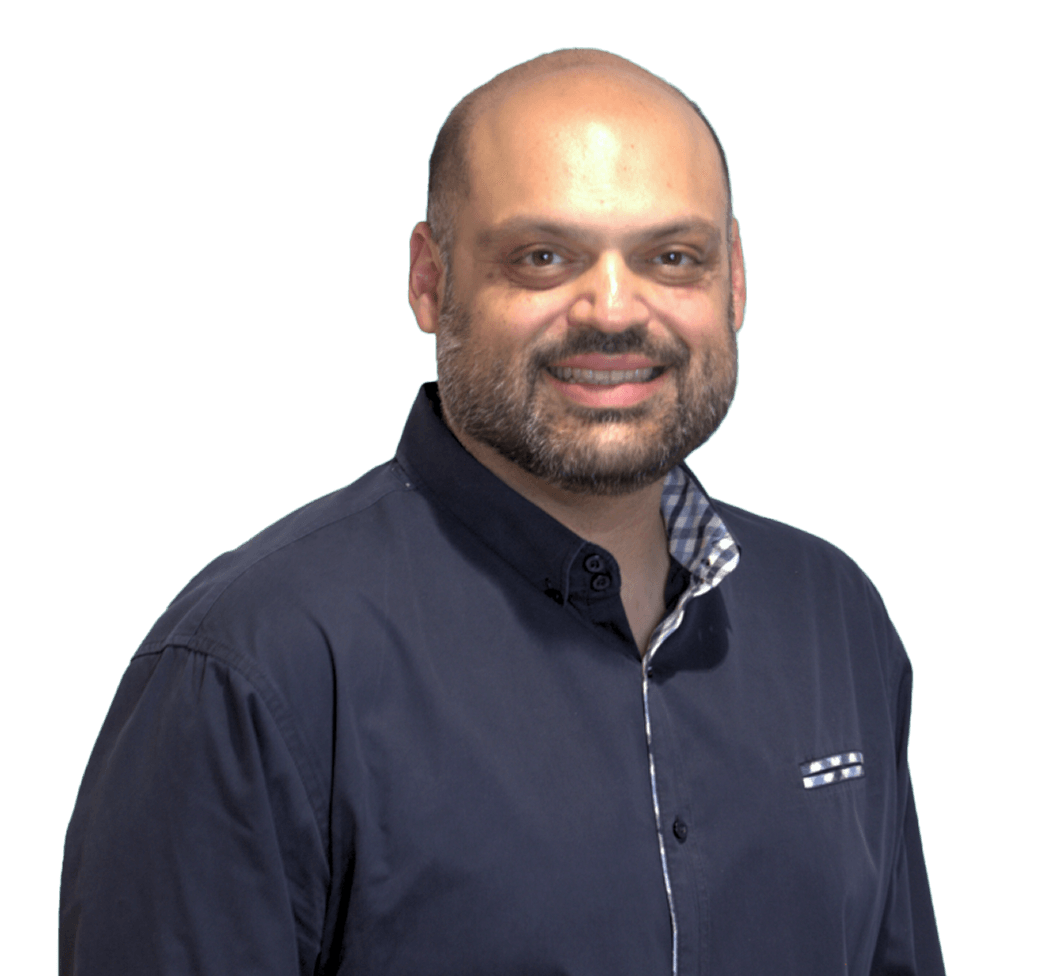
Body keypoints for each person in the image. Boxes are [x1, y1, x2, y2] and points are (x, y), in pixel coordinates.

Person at [59, 48, 945, 975]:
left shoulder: (835, 617)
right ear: (429, 282)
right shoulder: (253, 664)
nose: (613, 309)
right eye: (543, 257)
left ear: (735, 287)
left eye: (672, 257)